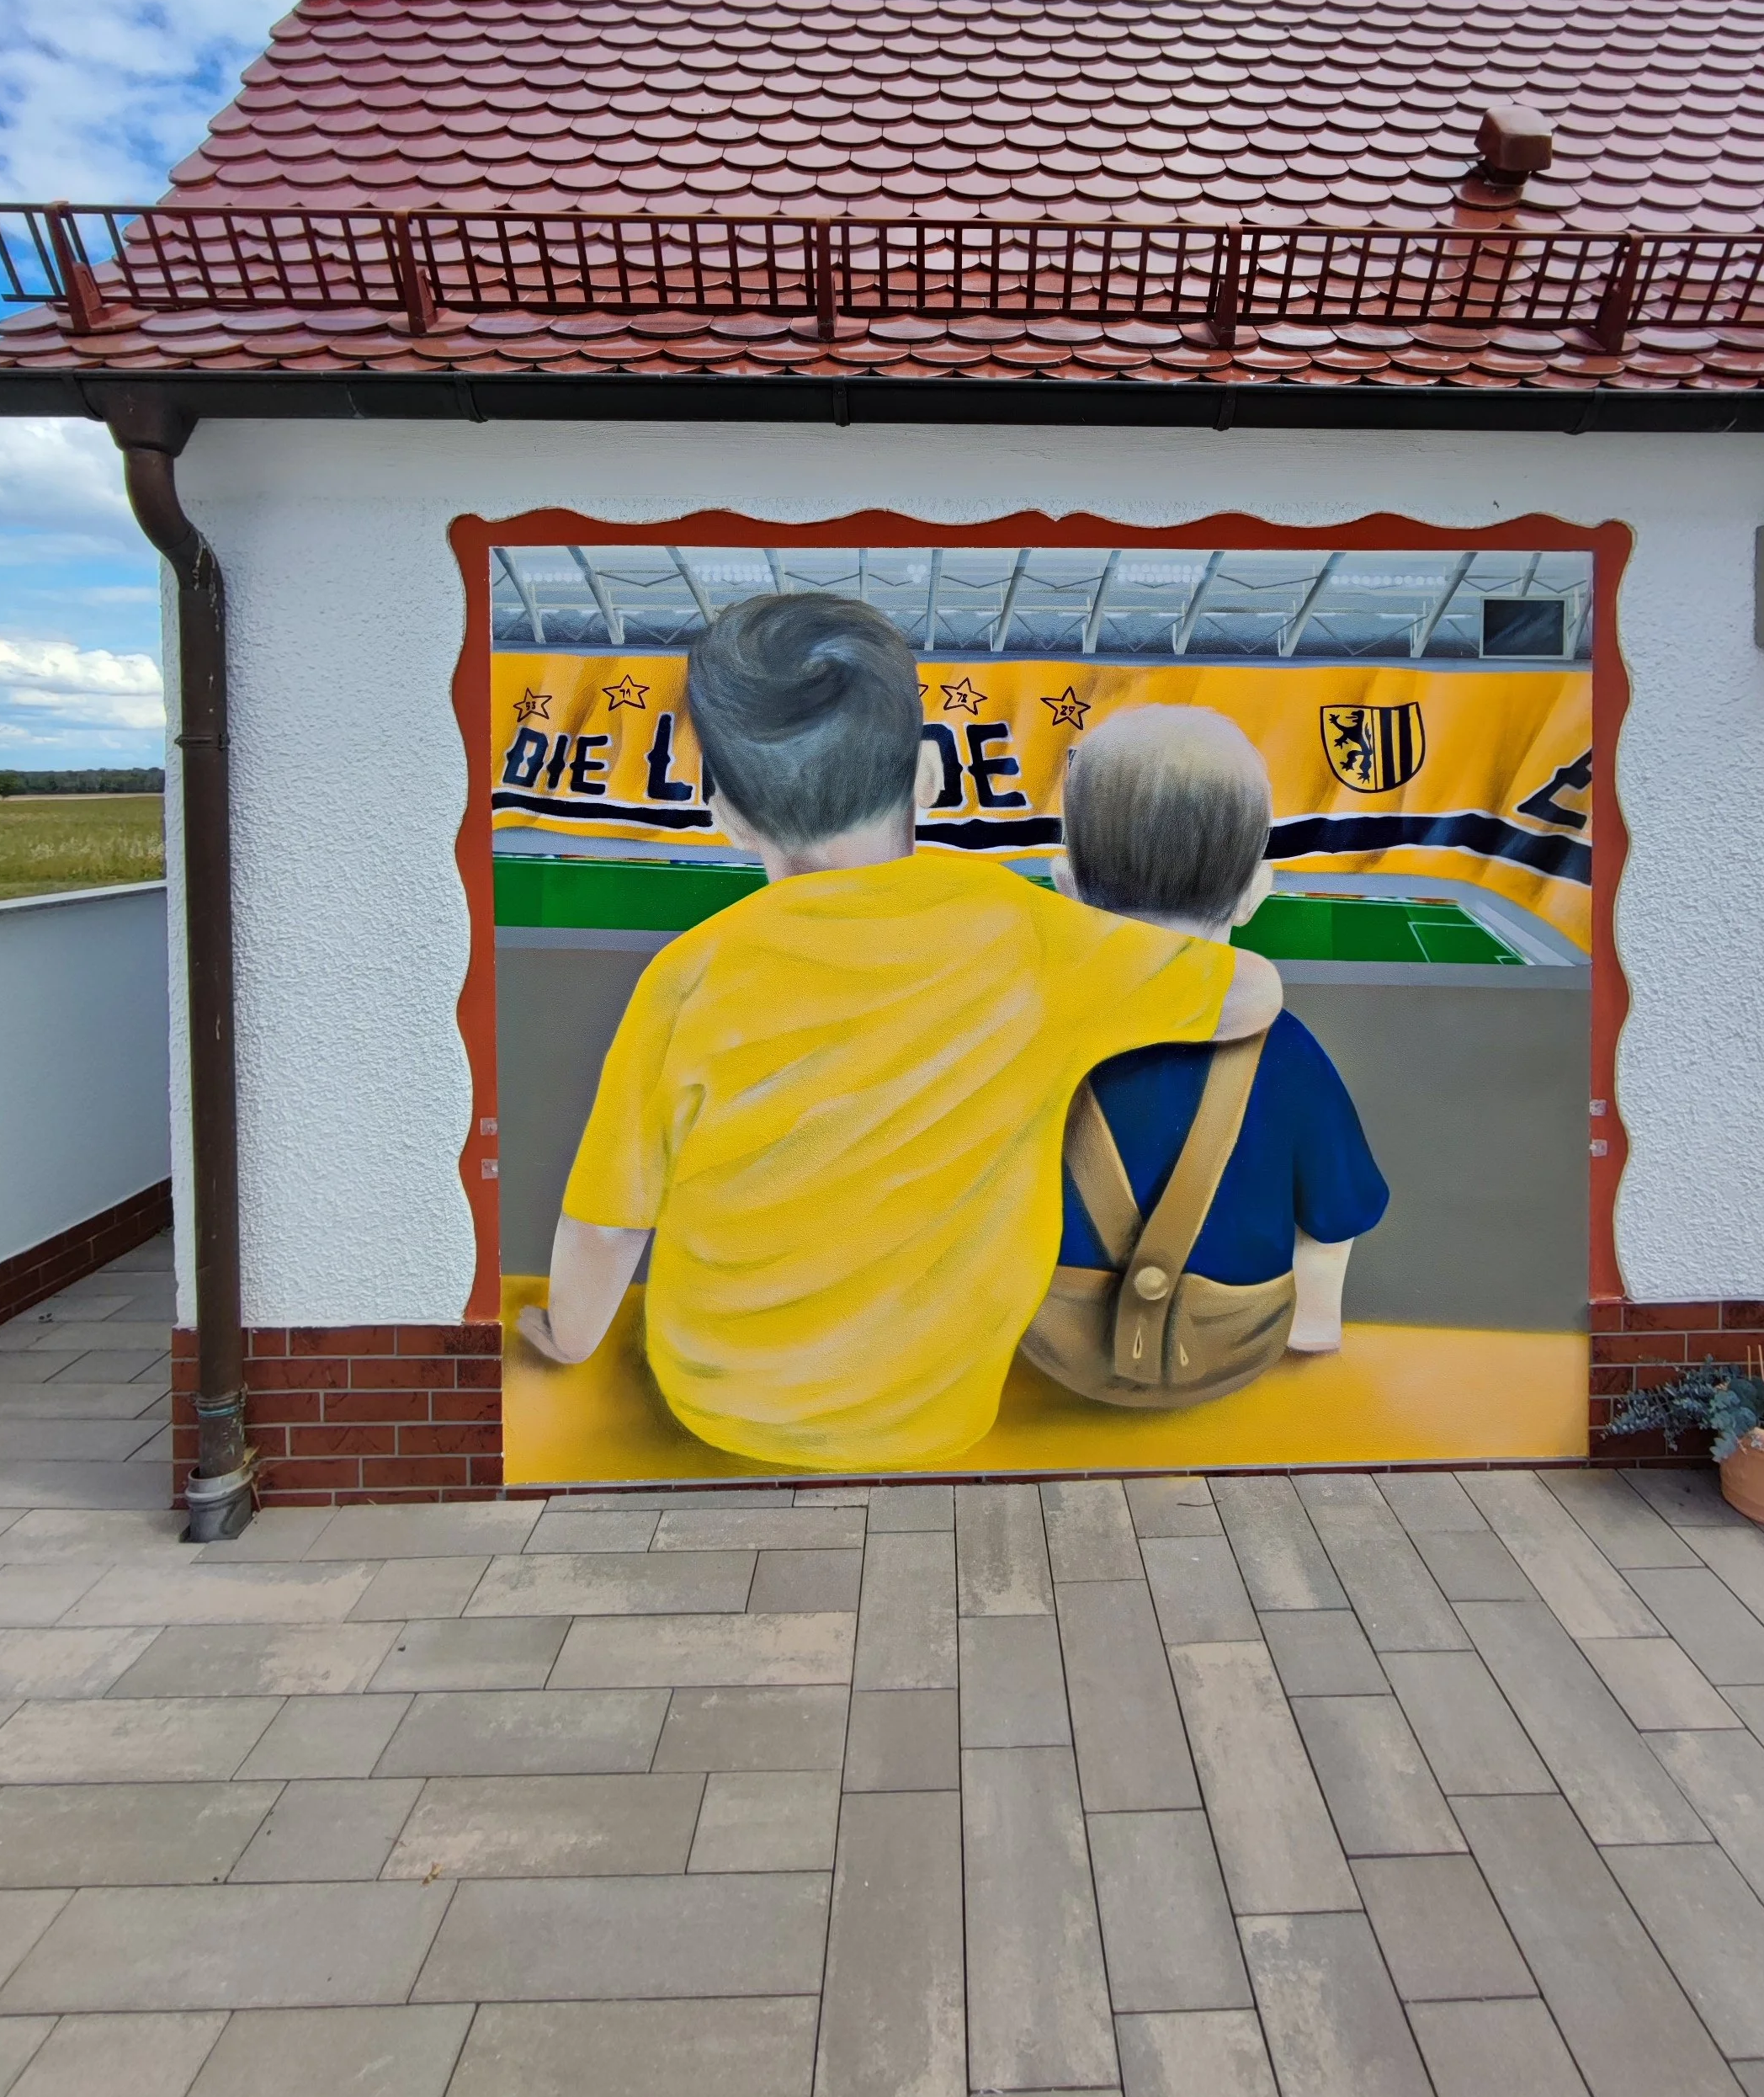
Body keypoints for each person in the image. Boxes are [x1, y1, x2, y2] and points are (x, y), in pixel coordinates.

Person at [518, 593, 1283, 1469]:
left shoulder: (687, 975)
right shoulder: (1026, 931)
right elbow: (1253, 993)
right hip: (941, 1410)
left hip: (717, 1400)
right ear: (926, 776)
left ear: (725, 813)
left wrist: (569, 1338)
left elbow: (607, 1224)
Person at [1023, 703, 1388, 1406]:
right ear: (1255, 894)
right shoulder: (1289, 1050)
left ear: (1065, 886)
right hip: (1236, 1344)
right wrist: (1313, 1314)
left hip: (1052, 1340)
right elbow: (1338, 1215)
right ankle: (1315, 1326)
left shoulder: (1023, 1038)